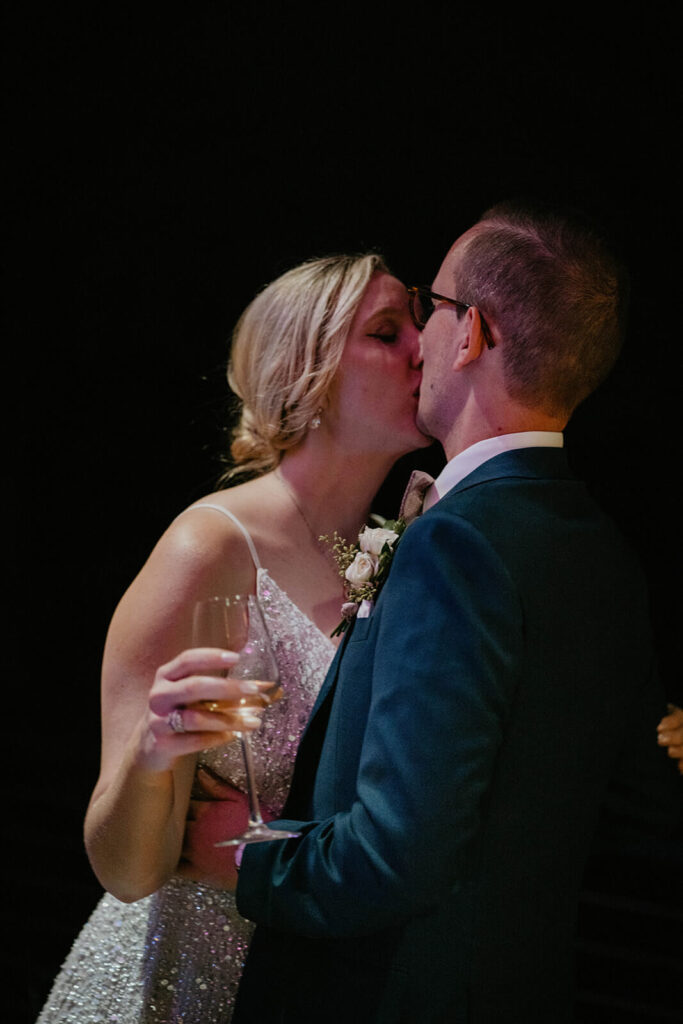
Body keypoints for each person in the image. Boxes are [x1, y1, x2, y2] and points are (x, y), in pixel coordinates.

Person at [219, 201, 681, 1023]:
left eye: (428, 310)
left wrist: (235, 858)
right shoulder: (603, 551)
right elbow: (638, 806)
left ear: (469, 334)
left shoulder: (455, 545)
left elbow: (396, 855)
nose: (418, 345)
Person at [35, 251, 429, 1023]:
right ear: (303, 373)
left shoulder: (388, 553)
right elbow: (125, 869)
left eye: (417, 324)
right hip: (177, 976)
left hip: (305, 974)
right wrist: (154, 754)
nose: (422, 347)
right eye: (387, 332)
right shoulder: (208, 548)